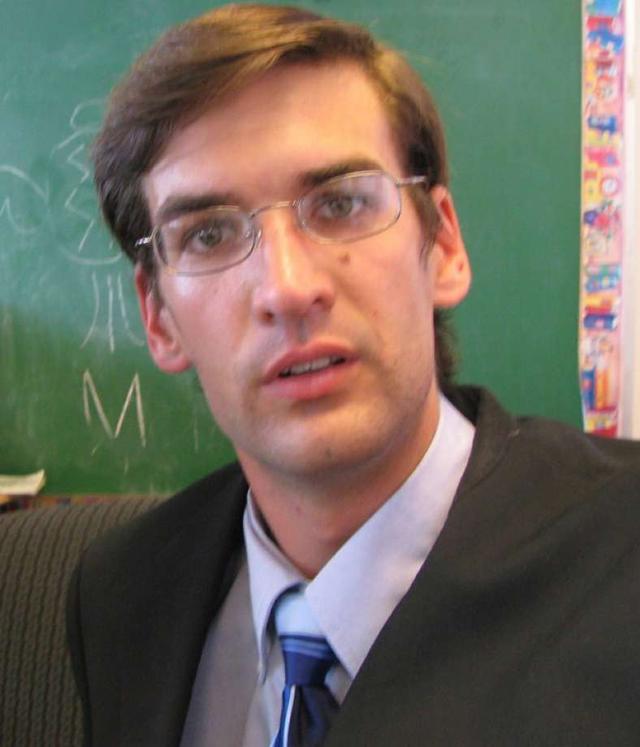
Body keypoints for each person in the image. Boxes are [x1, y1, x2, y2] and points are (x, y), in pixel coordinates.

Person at [66, 5, 640, 746]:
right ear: (159, 318)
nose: (287, 288)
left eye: (340, 204)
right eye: (208, 234)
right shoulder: (121, 593)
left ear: (443, 246)